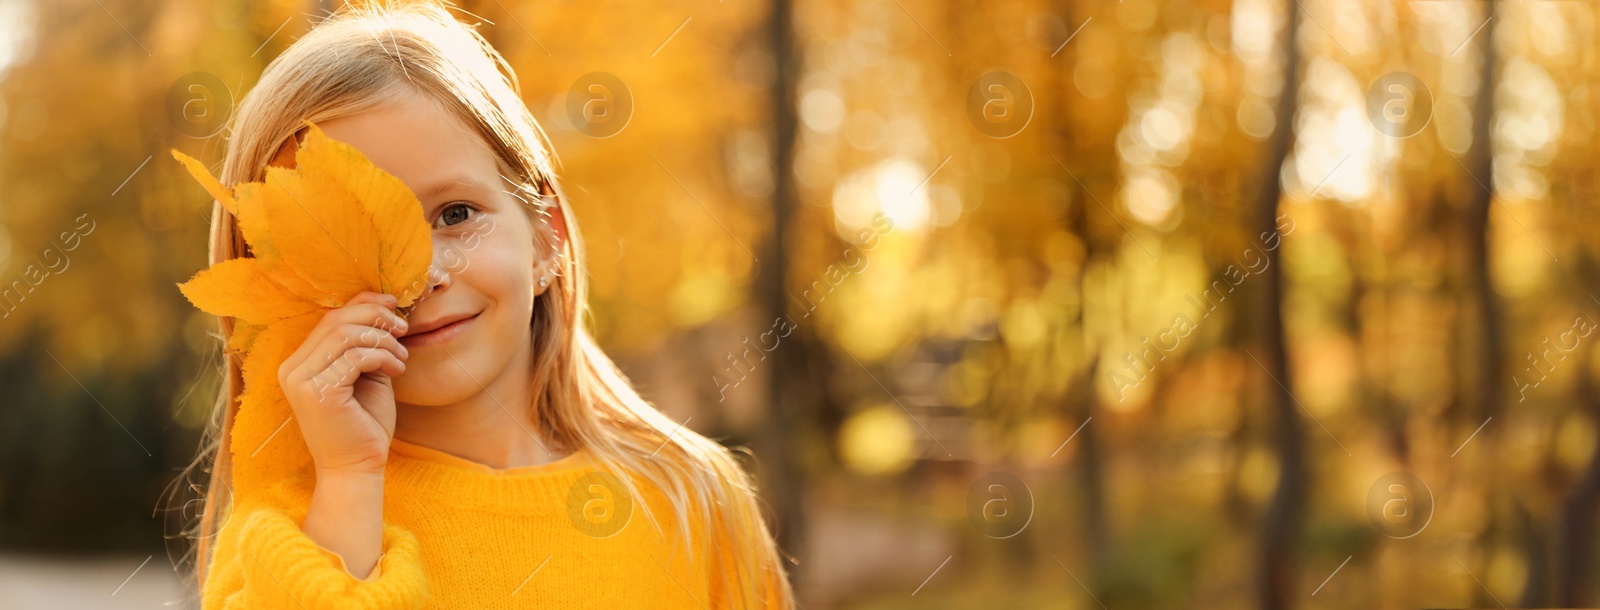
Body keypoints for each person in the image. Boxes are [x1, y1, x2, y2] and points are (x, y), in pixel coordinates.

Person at [179, 2, 792, 607]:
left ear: (545, 237)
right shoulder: (287, 537)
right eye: (353, 243)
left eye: (455, 215)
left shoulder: (690, 501)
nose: (423, 277)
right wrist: (349, 485)